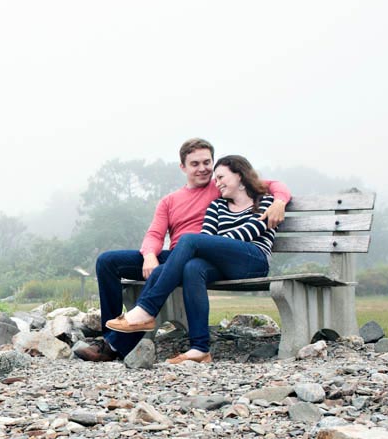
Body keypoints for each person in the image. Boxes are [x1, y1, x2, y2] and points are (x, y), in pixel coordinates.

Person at [76, 139, 290, 363]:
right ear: (183, 167)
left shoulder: (221, 187)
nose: (203, 169)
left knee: (185, 253)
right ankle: (110, 339)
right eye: (195, 164)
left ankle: (124, 334)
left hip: (211, 256)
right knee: (107, 262)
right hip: (179, 255)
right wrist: (149, 255)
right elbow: (155, 235)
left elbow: (272, 185)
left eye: (207, 162)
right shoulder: (171, 201)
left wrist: (280, 202)